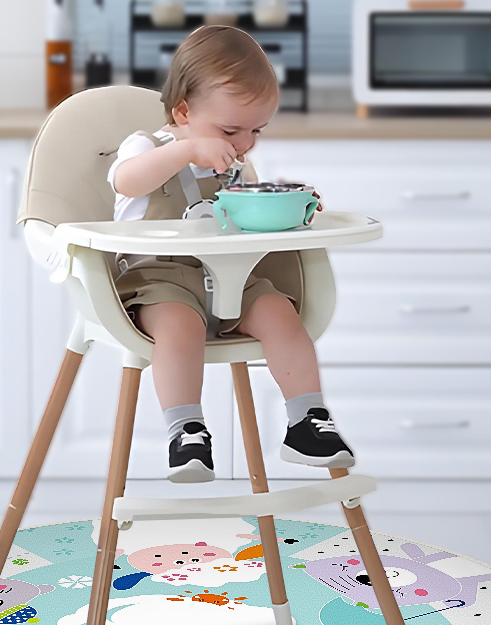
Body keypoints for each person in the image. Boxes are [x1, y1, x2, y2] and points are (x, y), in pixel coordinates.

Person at [106, 25, 353, 483]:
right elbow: (127, 181)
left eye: (257, 130)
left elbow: (245, 221)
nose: (245, 142)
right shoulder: (147, 148)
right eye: (230, 129)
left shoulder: (234, 166)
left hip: (230, 277)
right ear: (182, 111)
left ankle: (306, 421)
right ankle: (187, 431)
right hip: (159, 281)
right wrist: (187, 150)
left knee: (280, 313)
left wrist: (292, 207)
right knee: (180, 326)